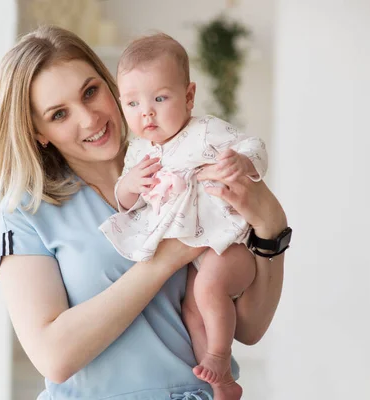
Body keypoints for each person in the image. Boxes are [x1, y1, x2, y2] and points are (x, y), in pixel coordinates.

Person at [0, 25, 289, 400]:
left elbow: (249, 328)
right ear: (39, 132)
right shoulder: (26, 211)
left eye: (91, 92)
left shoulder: (183, 163)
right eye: (60, 114)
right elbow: (54, 356)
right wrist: (163, 262)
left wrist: (271, 225)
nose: (89, 119)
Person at [98, 33, 266, 399]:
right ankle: (220, 382)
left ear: (189, 96)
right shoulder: (138, 151)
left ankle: (221, 357)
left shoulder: (205, 132)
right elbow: (125, 202)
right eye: (132, 103)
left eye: (160, 98)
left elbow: (255, 146)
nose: (147, 112)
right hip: (190, 256)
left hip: (227, 245)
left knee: (208, 291)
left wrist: (242, 162)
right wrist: (129, 184)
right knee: (191, 309)